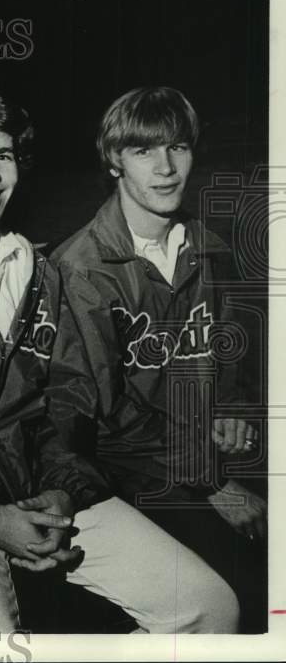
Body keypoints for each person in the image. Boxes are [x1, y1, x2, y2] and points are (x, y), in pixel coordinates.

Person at [0, 86, 239, 633]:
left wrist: (62, 489)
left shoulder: (40, 270)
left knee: (209, 607)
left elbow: (67, 405)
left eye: (3, 156)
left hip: (45, 490)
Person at [50, 86, 267, 631]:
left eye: (178, 147)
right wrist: (211, 479)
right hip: (127, 471)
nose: (166, 168)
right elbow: (99, 418)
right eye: (145, 151)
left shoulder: (204, 244)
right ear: (114, 161)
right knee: (227, 594)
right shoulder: (81, 270)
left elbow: (228, 343)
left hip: (195, 450)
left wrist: (233, 405)